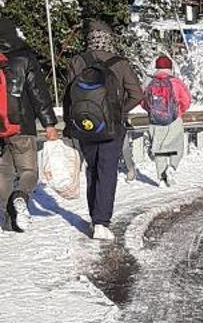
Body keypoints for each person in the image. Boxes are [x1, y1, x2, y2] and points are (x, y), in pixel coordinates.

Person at [64, 18, 144, 242]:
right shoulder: (120, 63)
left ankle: (94, 217)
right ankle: (101, 222)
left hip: (85, 126)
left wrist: (71, 126)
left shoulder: (77, 61)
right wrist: (119, 111)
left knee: (92, 170)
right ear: (109, 39)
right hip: (113, 127)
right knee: (107, 171)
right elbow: (137, 94)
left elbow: (69, 96)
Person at [0, 13, 59, 234]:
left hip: (0, 126)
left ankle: (6, 219)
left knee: (3, 172)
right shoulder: (24, 58)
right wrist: (49, 123)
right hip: (22, 124)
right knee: (28, 171)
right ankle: (20, 197)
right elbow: (38, 94)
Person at [140, 53, 191, 184]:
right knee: (177, 147)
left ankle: (162, 179)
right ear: (170, 67)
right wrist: (179, 111)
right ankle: (172, 168)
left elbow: (143, 102)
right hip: (174, 120)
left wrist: (152, 112)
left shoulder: (150, 83)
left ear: (156, 67)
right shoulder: (176, 82)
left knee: (159, 150)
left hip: (155, 122)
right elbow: (187, 100)